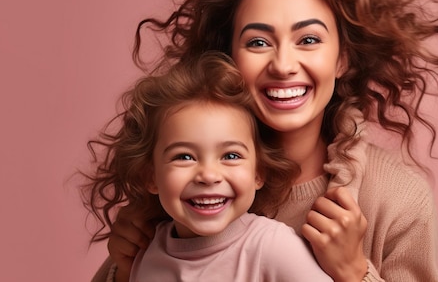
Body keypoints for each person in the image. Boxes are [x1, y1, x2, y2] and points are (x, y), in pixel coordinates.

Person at [93, 0, 438, 281]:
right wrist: (123, 267)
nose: (283, 65)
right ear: (227, 57)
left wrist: (354, 271)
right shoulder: (188, 177)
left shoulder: (396, 198)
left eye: (309, 40)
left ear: (342, 58)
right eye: (258, 42)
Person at [82, 52, 332, 281]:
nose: (208, 175)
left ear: (259, 172)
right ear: (151, 176)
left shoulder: (273, 247)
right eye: (184, 157)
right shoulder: (146, 255)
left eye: (231, 156)